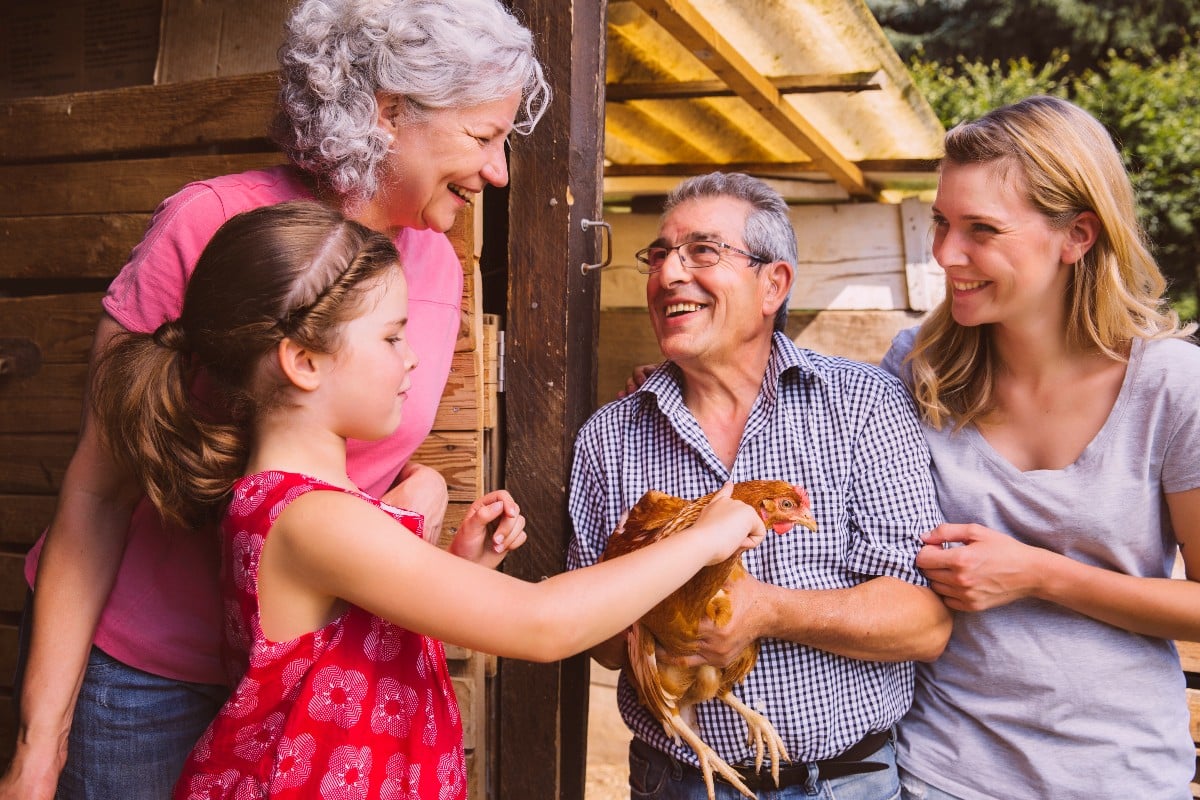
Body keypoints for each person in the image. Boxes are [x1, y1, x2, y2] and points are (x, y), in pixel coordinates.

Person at [0, 2, 552, 798]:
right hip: (148, 678)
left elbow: (338, 440)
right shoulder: (211, 223)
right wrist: (36, 749)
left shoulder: (436, 262)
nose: (499, 171)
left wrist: (415, 493)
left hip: (305, 686)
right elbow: (97, 490)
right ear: (389, 112)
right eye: (482, 137)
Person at [89, 200, 768, 799]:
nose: (413, 358)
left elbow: (357, 656)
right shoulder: (309, 517)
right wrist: (702, 537)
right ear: (304, 362)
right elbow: (542, 625)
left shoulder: (319, 504)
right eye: (390, 337)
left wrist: (463, 568)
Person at [568, 171, 953, 800]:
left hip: (844, 783)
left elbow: (924, 624)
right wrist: (643, 596)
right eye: (660, 255)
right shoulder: (609, 439)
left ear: (773, 283)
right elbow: (605, 648)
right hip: (677, 781)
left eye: (702, 252)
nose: (668, 274)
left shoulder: (862, 405)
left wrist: (766, 611)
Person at [878, 95, 1200, 800]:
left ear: (1078, 234)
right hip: (942, 775)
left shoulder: (1171, 386)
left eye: (981, 229)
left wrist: (1039, 575)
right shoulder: (915, 368)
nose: (945, 253)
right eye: (941, 221)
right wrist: (704, 380)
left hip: (1124, 777)